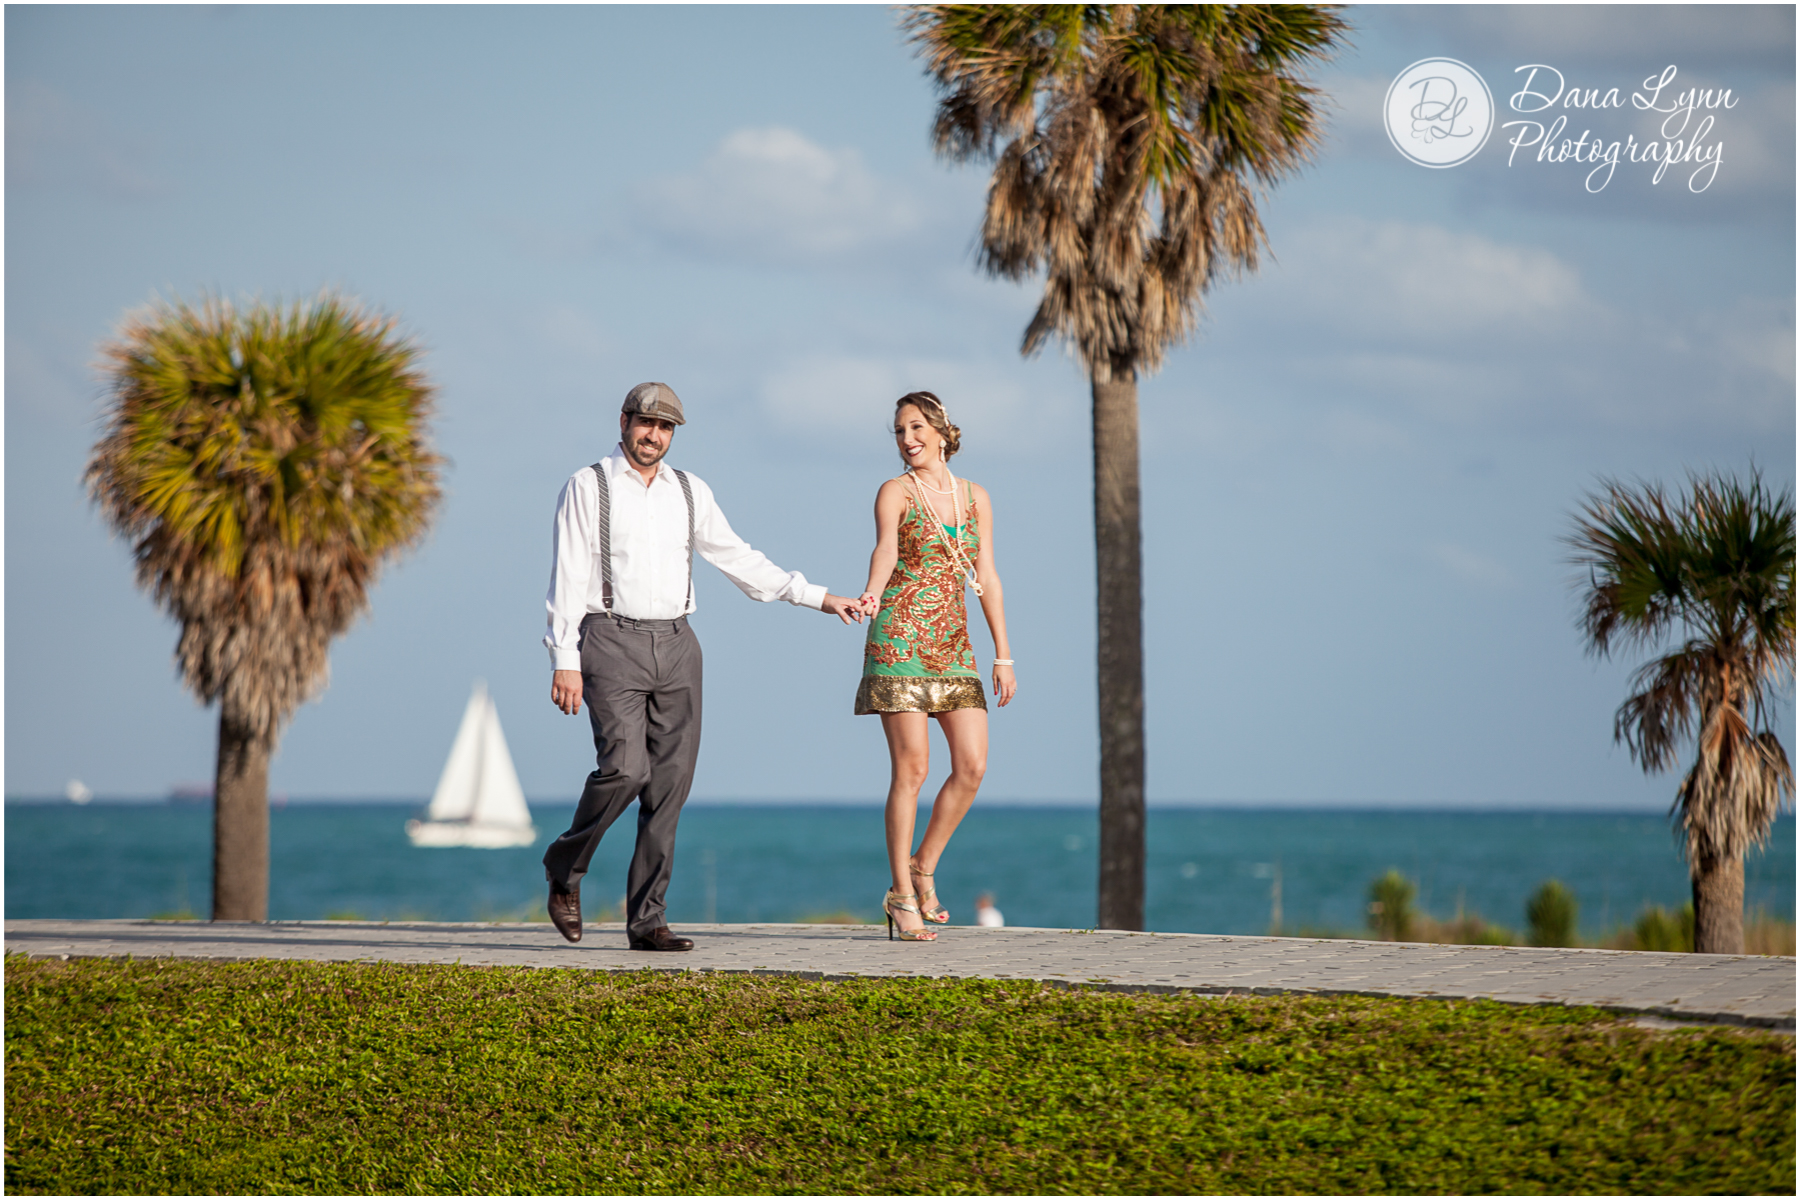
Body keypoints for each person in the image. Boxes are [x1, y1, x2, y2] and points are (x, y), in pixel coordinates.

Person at [542, 382, 866, 950]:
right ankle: (564, 865)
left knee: (669, 785)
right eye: (646, 423)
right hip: (609, 639)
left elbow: (738, 557)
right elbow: (567, 574)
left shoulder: (689, 491)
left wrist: (817, 596)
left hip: (678, 644)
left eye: (665, 428)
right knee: (625, 770)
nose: (654, 436)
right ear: (623, 422)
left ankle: (647, 922)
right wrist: (563, 658)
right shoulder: (588, 485)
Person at [854, 391, 1016, 942]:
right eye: (899, 430)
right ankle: (901, 894)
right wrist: (872, 594)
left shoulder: (976, 498)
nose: (908, 439)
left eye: (917, 426)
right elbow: (886, 552)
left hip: (955, 646)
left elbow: (987, 577)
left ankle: (924, 865)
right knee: (913, 770)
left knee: (972, 766)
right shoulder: (895, 492)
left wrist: (1003, 653)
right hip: (898, 640)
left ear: (943, 431)